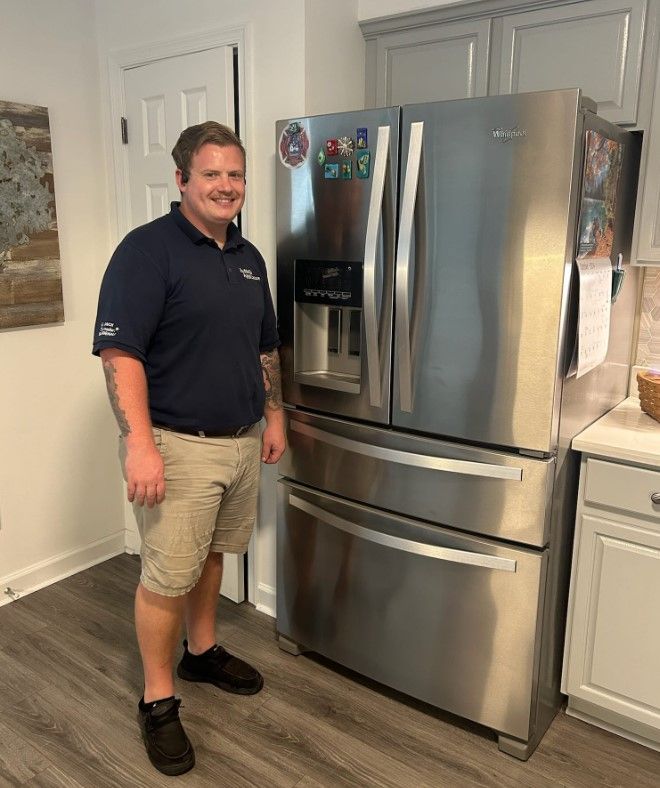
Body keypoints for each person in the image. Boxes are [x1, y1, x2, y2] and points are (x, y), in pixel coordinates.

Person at [92, 121, 285, 777]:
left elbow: (265, 347)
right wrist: (139, 446)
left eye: (235, 174)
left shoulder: (250, 258)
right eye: (212, 174)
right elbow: (121, 354)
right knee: (165, 574)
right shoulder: (147, 253)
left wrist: (275, 414)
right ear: (182, 180)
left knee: (210, 558)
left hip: (239, 440)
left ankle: (200, 653)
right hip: (178, 446)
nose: (227, 186)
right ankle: (158, 696)